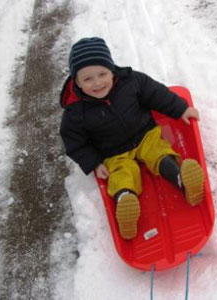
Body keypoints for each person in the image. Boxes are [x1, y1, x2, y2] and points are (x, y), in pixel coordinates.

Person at [59, 37, 205, 240]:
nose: (98, 83)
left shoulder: (131, 81)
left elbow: (157, 94)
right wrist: (93, 162)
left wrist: (180, 108)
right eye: (88, 79)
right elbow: (74, 142)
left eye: (102, 74)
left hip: (144, 134)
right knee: (121, 174)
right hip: (113, 152)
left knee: (159, 152)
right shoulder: (75, 112)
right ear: (76, 82)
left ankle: (181, 179)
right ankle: (125, 202)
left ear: (112, 69)